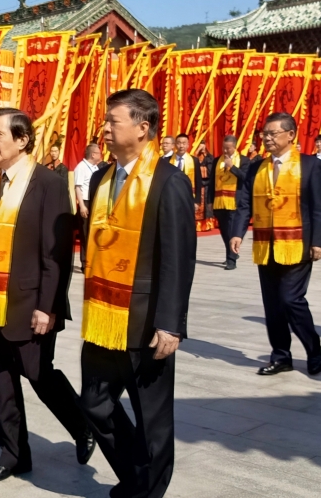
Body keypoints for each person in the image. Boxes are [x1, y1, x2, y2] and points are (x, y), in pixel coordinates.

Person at [0, 108, 94, 484]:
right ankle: (13, 455)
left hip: (32, 301)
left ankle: (82, 425)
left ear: (22, 140)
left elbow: (57, 253)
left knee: (38, 373)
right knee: (3, 377)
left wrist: (47, 307)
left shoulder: (48, 183)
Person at [80, 89, 196, 498]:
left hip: (145, 322)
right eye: (105, 121)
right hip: (103, 316)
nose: (105, 128)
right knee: (94, 405)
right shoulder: (101, 178)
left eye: (113, 121)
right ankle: (134, 476)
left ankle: (149, 491)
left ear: (142, 127)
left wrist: (170, 324)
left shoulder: (169, 181)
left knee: (153, 420)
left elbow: (178, 259)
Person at [230, 112, 321, 376]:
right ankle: (281, 356)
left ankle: (313, 349)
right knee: (273, 304)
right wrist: (237, 232)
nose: (267, 138)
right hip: (266, 244)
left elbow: (319, 207)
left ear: (291, 135)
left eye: (273, 133)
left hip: (298, 244)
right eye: (265, 134)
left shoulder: (310, 165)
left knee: (290, 299)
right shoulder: (257, 167)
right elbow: (245, 203)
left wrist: (318, 241)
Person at [209, 135, 250, 270]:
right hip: (219, 202)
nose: (225, 151)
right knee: (225, 232)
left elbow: (246, 178)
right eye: (223, 148)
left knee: (232, 231)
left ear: (235, 147)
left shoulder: (244, 160)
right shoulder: (217, 161)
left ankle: (231, 260)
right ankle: (231, 253)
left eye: (228, 148)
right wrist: (209, 200)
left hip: (234, 202)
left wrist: (232, 167)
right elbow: (211, 182)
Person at [74, 143, 102, 270]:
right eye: (99, 153)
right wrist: (82, 206)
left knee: (93, 233)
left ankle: (93, 260)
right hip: (85, 202)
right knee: (85, 234)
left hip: (95, 202)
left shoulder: (95, 168)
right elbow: (78, 187)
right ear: (93, 154)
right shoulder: (81, 167)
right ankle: (85, 263)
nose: (101, 155)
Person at [171, 134, 203, 206]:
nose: (181, 146)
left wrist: (197, 201)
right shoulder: (168, 160)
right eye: (179, 143)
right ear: (175, 144)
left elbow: (198, 181)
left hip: (188, 196)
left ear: (188, 145)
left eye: (184, 143)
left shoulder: (194, 160)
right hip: (172, 196)